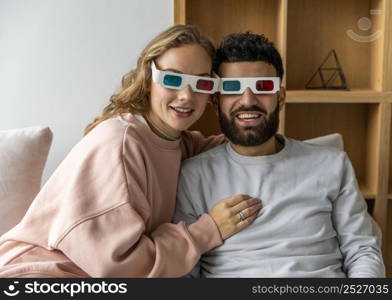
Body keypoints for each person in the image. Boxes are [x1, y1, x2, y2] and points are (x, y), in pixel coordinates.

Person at [0, 25, 262, 278]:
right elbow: (118, 269)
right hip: (39, 274)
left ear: (211, 95)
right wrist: (209, 230)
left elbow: (235, 148)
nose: (186, 95)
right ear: (148, 80)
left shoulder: (179, 142)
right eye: (172, 79)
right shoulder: (120, 143)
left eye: (201, 84)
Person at [174, 32, 385, 277]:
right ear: (216, 99)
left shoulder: (333, 164)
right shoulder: (193, 176)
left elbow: (362, 250)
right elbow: (185, 271)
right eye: (232, 88)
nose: (248, 100)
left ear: (280, 96)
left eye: (262, 87)